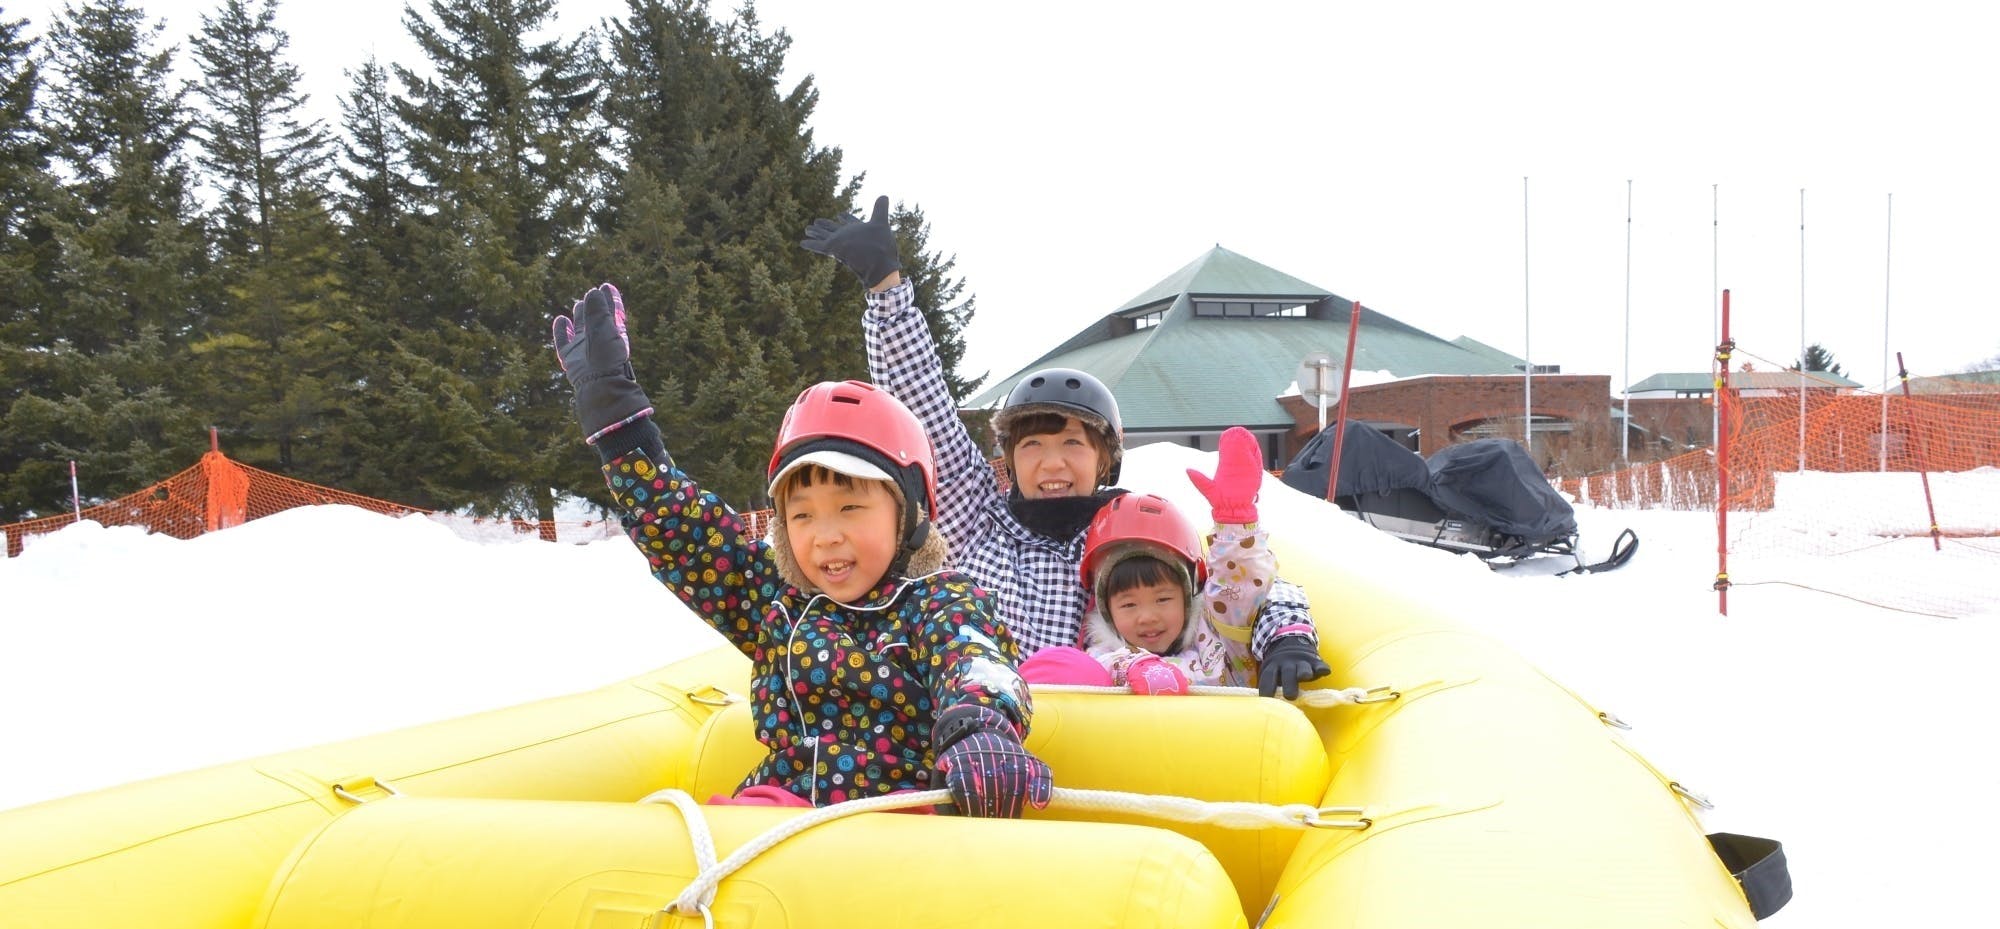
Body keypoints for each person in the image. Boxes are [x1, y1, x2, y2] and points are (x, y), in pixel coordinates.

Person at [551, 282, 1052, 817]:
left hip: (903, 816)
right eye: (802, 514)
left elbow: (976, 662)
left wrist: (981, 728)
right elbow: (688, 536)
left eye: (850, 508)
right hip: (780, 809)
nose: (825, 535)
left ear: (910, 517)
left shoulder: (939, 604)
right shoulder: (778, 605)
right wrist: (619, 428)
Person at [801, 198, 1332, 699]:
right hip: (980, 716)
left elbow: (1236, 594)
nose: (1052, 464)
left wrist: (1284, 634)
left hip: (1098, 727)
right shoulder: (975, 521)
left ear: (1104, 458)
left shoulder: (1132, 532)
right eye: (1032, 445)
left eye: (1072, 444)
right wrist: (885, 288)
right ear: (1009, 460)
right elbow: (924, 412)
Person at [1021, 428, 1273, 694]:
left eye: (1163, 599)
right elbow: (1106, 665)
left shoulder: (1216, 641)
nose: (1147, 617)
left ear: (1188, 597)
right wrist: (1136, 667)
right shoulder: (1107, 657)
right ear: (1107, 611)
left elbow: (1239, 593)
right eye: (1128, 604)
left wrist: (1235, 522)